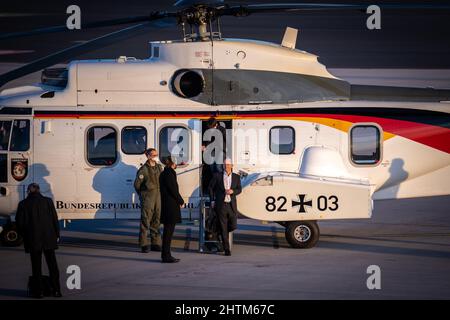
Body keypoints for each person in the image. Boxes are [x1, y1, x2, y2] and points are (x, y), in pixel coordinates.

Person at [15, 183, 62, 298]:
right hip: (49, 238)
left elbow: (19, 224)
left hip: (33, 239)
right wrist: (56, 234)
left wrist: (25, 236)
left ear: (28, 191)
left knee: (36, 267)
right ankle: (56, 290)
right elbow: (54, 219)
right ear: (39, 190)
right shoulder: (48, 201)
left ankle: (39, 292)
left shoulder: (23, 204)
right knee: (52, 266)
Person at [208, 158, 242, 256]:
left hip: (231, 205)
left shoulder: (236, 177)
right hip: (221, 205)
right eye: (225, 165)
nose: (226, 166)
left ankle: (221, 232)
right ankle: (227, 249)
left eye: (228, 165)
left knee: (233, 225)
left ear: (232, 165)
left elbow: (239, 189)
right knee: (224, 228)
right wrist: (212, 200)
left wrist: (233, 191)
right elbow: (210, 187)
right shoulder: (217, 176)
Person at [134, 148, 163, 253]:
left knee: (157, 219)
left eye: (156, 154)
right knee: (145, 220)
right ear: (148, 156)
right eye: (153, 155)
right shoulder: (143, 170)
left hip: (158, 196)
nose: (155, 156)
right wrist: (143, 195)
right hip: (148, 197)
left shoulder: (159, 167)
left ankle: (156, 243)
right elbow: (137, 185)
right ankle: (144, 244)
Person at [159, 156, 185, 263]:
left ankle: (166, 254)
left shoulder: (164, 173)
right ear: (172, 163)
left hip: (167, 205)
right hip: (170, 206)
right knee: (168, 232)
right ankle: (166, 255)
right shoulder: (169, 173)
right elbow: (173, 189)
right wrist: (181, 201)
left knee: (167, 232)